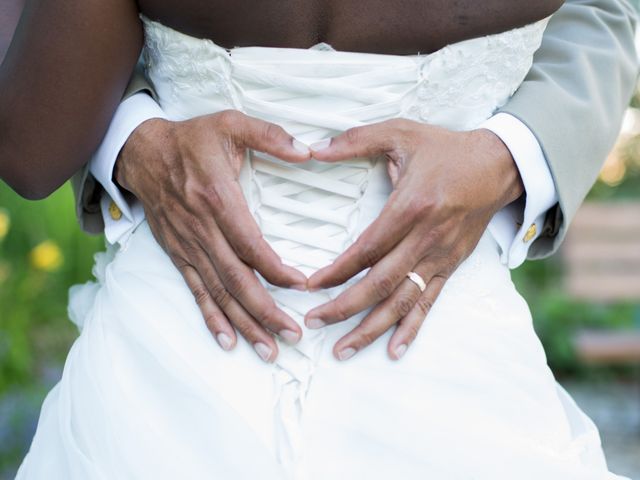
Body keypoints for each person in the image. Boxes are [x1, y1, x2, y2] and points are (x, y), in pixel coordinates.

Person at [0, 0, 637, 478]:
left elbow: (31, 141)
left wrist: (510, 156)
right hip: (434, 365)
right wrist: (136, 140)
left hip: (169, 367)